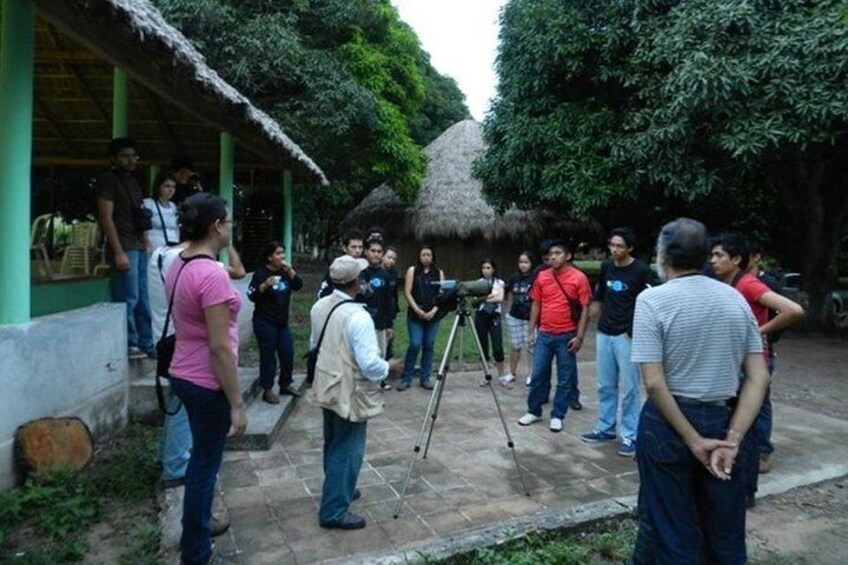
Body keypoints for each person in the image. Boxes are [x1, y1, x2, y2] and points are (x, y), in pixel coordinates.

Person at [629, 218, 769, 564]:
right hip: (724, 421)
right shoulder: (736, 301)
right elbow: (758, 376)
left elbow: (654, 382)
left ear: (662, 256)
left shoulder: (652, 301)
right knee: (725, 530)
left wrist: (693, 440)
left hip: (667, 424)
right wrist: (733, 439)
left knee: (671, 527)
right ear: (707, 255)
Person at [165, 193, 247, 565]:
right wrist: (237, 404)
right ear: (216, 226)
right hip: (205, 380)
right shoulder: (211, 273)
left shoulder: (177, 264)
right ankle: (197, 553)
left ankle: (197, 532)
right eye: (228, 222)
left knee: (201, 460)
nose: (230, 227)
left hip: (182, 371)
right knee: (204, 466)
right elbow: (218, 348)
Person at [311, 255, 402, 530]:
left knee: (333, 442)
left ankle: (339, 489)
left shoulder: (319, 306)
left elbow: (317, 343)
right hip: (349, 390)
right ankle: (334, 510)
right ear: (356, 282)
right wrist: (391, 367)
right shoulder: (359, 317)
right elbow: (370, 365)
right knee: (348, 449)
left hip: (326, 382)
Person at [710, 233, 804, 500]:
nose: (713, 260)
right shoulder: (727, 283)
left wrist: (758, 332)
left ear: (736, 259)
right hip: (738, 362)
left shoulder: (748, 284)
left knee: (746, 427)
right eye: (712, 255)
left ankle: (747, 490)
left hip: (754, 365)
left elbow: (793, 310)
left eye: (719, 255)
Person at [581, 228, 656, 458]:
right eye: (611, 245)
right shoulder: (607, 267)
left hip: (627, 336)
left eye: (619, 246)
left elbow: (652, 302)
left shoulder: (642, 271)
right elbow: (600, 296)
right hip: (604, 333)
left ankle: (630, 435)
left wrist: (635, 330)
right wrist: (586, 318)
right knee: (605, 384)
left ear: (630, 248)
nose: (614, 250)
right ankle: (605, 428)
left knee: (630, 388)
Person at [518, 239, 592, 432]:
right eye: (551, 254)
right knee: (538, 374)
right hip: (545, 334)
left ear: (567, 256)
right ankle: (533, 410)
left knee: (565, 378)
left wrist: (580, 336)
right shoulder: (542, 276)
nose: (553, 257)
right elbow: (536, 304)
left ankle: (558, 415)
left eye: (558, 253)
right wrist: (531, 331)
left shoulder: (579, 278)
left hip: (567, 335)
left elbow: (585, 309)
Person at [96, 137, 153, 359]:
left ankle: (146, 343)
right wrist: (118, 251)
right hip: (123, 246)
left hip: (137, 245)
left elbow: (141, 216)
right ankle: (129, 343)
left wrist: (146, 240)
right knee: (128, 296)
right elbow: (106, 218)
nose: (131, 160)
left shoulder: (134, 182)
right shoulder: (108, 181)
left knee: (142, 297)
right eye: (125, 156)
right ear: (113, 159)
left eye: (134, 156)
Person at [247, 242, 304, 404]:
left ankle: (285, 384)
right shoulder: (260, 273)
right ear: (269, 257)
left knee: (287, 353)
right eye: (278, 254)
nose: (282, 257)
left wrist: (290, 271)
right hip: (264, 322)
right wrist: (265, 285)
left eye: (283, 254)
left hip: (282, 322)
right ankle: (267, 389)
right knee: (268, 357)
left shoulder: (284, 272)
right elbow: (251, 295)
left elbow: (299, 285)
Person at [397, 244, 444, 391]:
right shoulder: (413, 271)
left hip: (433, 316)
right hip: (415, 315)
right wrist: (417, 310)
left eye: (429, 255)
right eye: (423, 254)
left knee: (429, 345)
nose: (426, 257)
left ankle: (425, 378)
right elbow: (407, 292)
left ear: (433, 257)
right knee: (415, 344)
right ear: (419, 256)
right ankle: (406, 377)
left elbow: (442, 294)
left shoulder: (439, 273)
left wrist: (434, 311)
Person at [360, 239, 395, 390]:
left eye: (379, 252)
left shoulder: (385, 274)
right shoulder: (360, 272)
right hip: (364, 322)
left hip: (381, 322)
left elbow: (389, 300)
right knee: (365, 354)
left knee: (381, 352)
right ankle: (363, 382)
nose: (376, 254)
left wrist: (389, 324)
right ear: (366, 252)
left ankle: (380, 382)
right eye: (373, 251)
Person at [473, 258, 507, 386]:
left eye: (488, 268)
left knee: (498, 347)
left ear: (493, 269)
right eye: (483, 268)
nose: (486, 270)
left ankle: (502, 376)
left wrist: (484, 298)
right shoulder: (478, 283)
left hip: (495, 316)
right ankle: (486, 376)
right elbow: (475, 302)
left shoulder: (499, 283)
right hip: (481, 316)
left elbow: (500, 297)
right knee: (483, 348)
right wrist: (489, 297)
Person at [503, 252, 534, 387]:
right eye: (521, 262)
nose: (523, 265)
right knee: (515, 346)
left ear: (531, 263)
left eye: (526, 262)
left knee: (531, 346)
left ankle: (532, 374)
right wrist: (508, 311)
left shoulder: (535, 277)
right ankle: (512, 373)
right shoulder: (514, 277)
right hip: (515, 316)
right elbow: (508, 292)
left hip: (530, 318)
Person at [317, 229, 365, 299]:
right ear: (344, 248)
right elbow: (323, 295)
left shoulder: (365, 269)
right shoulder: (337, 269)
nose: (357, 251)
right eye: (353, 247)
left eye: (360, 247)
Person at [143, 171, 179, 251]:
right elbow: (143, 228)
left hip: (171, 247)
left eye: (173, 187)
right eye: (167, 186)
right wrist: (147, 244)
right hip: (154, 247)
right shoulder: (149, 203)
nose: (171, 190)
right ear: (158, 187)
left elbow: (176, 228)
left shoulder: (173, 206)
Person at [382, 246, 401, 360]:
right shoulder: (376, 273)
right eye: (389, 257)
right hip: (378, 311)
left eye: (394, 259)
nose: (391, 261)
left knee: (389, 340)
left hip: (390, 311)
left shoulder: (393, 273)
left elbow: (394, 294)